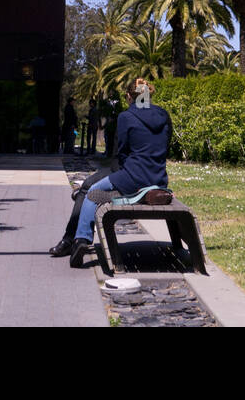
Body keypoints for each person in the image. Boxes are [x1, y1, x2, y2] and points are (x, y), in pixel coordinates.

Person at [49, 78, 171, 266]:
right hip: (158, 177)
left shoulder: (126, 116)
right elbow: (165, 145)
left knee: (90, 192)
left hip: (130, 175)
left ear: (130, 96)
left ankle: (79, 239)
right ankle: (71, 239)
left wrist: (125, 171)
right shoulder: (164, 115)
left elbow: (120, 150)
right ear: (148, 94)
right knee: (90, 186)